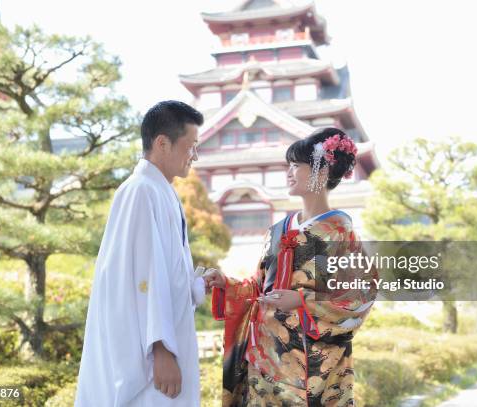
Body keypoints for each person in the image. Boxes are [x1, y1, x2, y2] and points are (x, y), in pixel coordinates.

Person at [204, 128, 378, 407]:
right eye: (289, 165)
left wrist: (301, 299)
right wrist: (228, 284)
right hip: (264, 358)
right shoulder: (277, 230)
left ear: (321, 172)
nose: (289, 171)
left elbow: (362, 292)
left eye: (297, 165)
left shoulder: (339, 232)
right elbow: (260, 286)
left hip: (313, 364)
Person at [75, 100, 208, 406]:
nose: (195, 155)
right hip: (151, 355)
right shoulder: (140, 191)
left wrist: (196, 283)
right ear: (163, 143)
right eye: (191, 146)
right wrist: (160, 349)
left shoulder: (162, 190)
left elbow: (167, 273)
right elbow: (143, 277)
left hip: (165, 341)